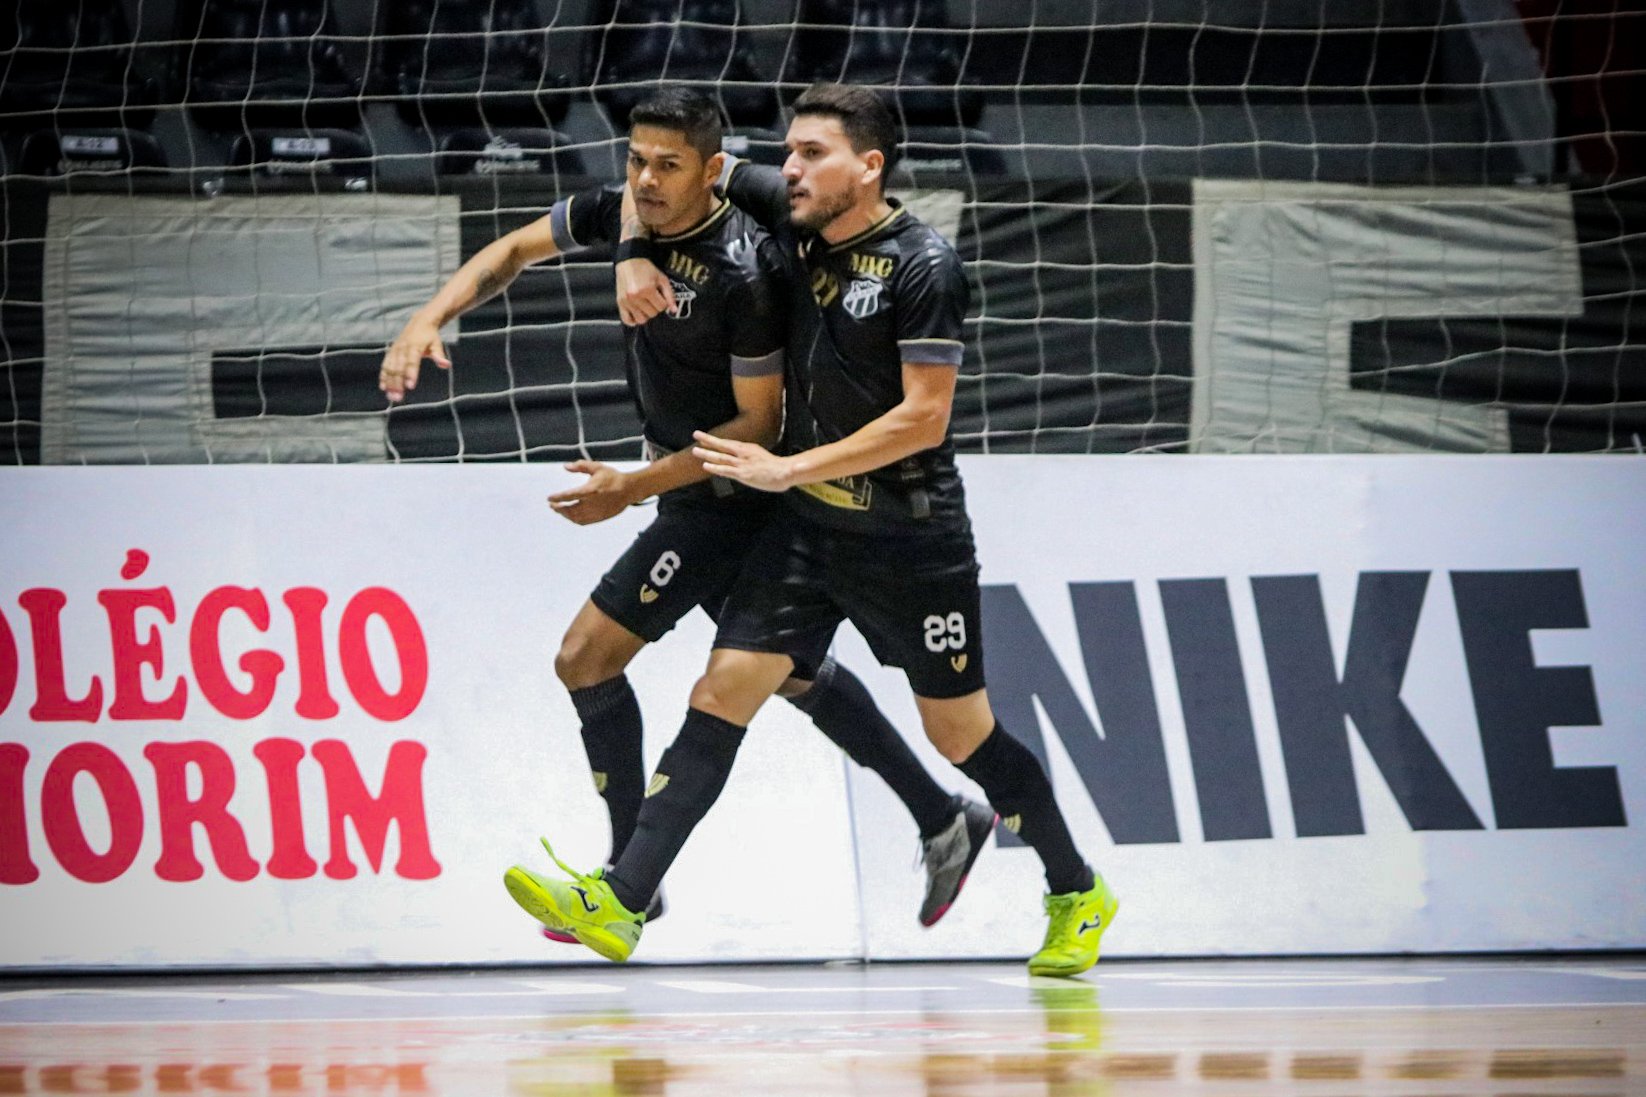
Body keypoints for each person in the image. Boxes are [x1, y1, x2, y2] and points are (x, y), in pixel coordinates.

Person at [522, 84, 1118, 977]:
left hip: (912, 540)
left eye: (810, 154)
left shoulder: (924, 267)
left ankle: (1075, 889)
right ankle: (623, 900)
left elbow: (923, 417)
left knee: (961, 735)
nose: (788, 168)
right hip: (808, 533)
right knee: (723, 688)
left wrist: (786, 467)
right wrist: (632, 253)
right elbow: (660, 186)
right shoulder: (790, 209)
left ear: (867, 167)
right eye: (789, 152)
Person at [377, 88, 995, 940]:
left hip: (731, 496)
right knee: (791, 675)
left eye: (669, 167)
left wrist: (633, 486)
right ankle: (938, 816)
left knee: (592, 656)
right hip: (693, 490)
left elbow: (759, 426)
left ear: (713, 172)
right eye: (636, 162)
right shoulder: (630, 207)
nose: (647, 180)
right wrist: (426, 318)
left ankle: (628, 882)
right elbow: (517, 246)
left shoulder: (747, 267)